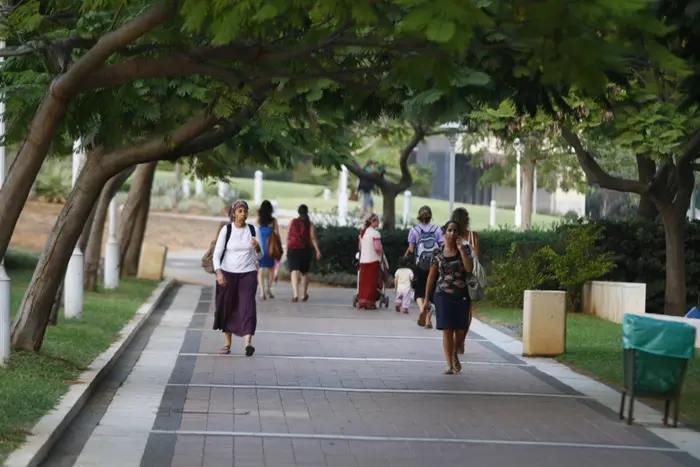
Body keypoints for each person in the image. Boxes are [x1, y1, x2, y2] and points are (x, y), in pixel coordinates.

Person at [423, 220, 474, 374]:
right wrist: (426, 298)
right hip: (442, 294)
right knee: (447, 329)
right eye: (449, 230)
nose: (452, 233)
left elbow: (469, 268)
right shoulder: (437, 252)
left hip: (461, 294)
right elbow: (431, 276)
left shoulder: (464, 249)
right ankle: (449, 364)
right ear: (444, 232)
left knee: (460, 329)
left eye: (455, 230)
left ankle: (454, 354)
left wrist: (460, 249)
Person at [213, 200, 263, 356]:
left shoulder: (253, 230)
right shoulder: (227, 230)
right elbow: (217, 254)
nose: (243, 214)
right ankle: (227, 344)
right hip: (228, 273)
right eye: (240, 211)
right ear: (234, 213)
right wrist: (219, 273)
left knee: (248, 306)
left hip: (248, 273)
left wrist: (257, 247)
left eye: (245, 211)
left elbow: (259, 256)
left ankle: (248, 343)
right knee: (229, 306)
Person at [406, 206, 444, 328]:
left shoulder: (414, 231)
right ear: (430, 216)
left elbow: (411, 249)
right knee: (432, 293)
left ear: (419, 216)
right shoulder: (437, 230)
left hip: (420, 265)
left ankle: (422, 308)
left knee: (419, 293)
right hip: (434, 265)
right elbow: (442, 246)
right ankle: (428, 320)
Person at [450, 207, 480, 354]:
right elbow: (477, 258)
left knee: (453, 311)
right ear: (467, 220)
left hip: (453, 277)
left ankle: (456, 339)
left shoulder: (449, 234)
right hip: (468, 278)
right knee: (467, 311)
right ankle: (461, 342)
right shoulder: (472, 236)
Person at [287, 204, 322, 302]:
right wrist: (317, 251)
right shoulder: (309, 224)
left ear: (298, 212)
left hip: (293, 249)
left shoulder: (292, 222)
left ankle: (295, 294)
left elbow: (289, 235)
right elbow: (313, 238)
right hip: (305, 250)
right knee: (304, 272)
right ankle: (303, 295)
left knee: (294, 270)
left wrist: (288, 248)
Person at [358, 214, 383, 309]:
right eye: (377, 221)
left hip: (363, 260)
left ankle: (362, 301)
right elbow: (378, 248)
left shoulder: (362, 234)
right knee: (371, 282)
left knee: (364, 282)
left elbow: (360, 247)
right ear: (373, 222)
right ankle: (370, 302)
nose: (378, 223)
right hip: (373, 259)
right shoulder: (375, 233)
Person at [256, 200, 279, 300]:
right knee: (271, 270)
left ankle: (262, 292)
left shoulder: (258, 220)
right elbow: (277, 235)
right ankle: (268, 289)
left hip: (260, 248)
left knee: (260, 270)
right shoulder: (273, 221)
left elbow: (255, 234)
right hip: (270, 248)